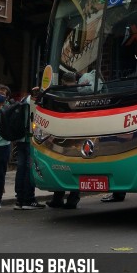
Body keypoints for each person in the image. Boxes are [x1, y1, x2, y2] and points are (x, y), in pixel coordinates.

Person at [47, 71, 80, 209]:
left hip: (61, 135)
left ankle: (58, 198)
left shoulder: (59, 94)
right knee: (76, 168)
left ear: (62, 81)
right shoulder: (80, 93)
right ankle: (72, 199)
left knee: (61, 166)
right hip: (77, 136)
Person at [13, 88, 45, 210]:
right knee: (29, 168)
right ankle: (28, 199)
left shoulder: (22, 101)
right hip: (29, 140)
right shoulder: (33, 104)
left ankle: (19, 199)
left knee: (20, 169)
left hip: (20, 140)